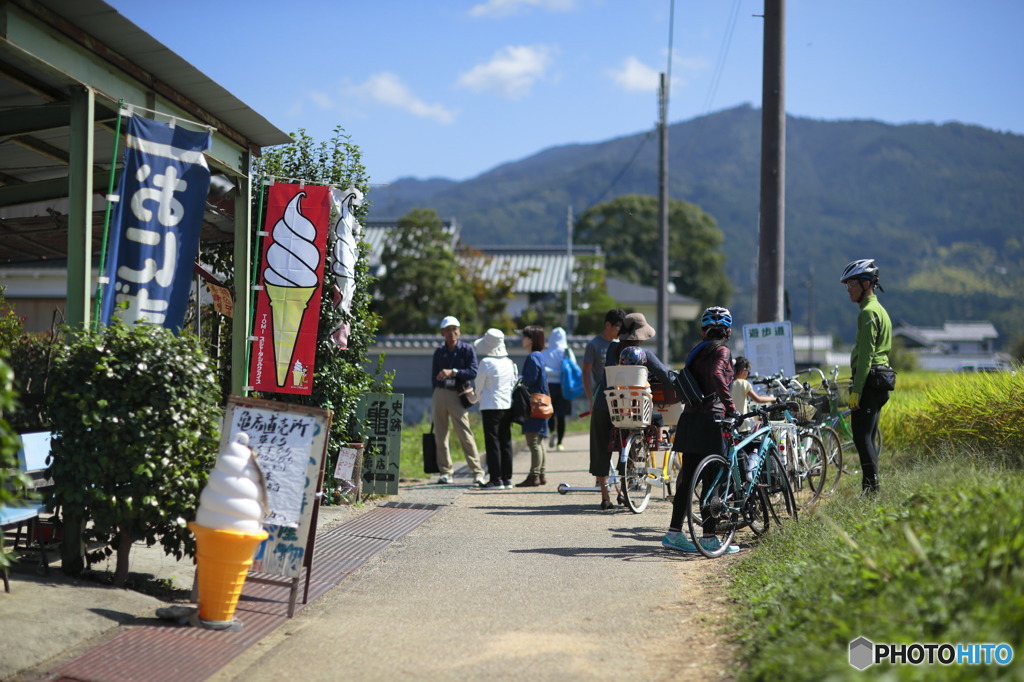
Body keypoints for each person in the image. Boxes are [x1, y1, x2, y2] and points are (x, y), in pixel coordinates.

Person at [662, 306, 740, 554]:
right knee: (712, 481)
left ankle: (674, 534)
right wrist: (731, 407)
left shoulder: (695, 351)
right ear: (728, 331)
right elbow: (718, 374)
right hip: (712, 420)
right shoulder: (723, 350)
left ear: (703, 331)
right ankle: (708, 538)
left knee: (687, 480)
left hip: (690, 419)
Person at [589, 312, 672, 510]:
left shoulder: (611, 349)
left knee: (600, 448)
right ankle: (625, 487)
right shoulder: (645, 355)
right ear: (640, 336)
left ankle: (605, 496)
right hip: (632, 409)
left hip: (606, 404)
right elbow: (665, 375)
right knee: (635, 432)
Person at [841, 258, 892, 494]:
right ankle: (871, 489)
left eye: (851, 284)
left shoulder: (868, 313)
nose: (848, 289)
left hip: (870, 382)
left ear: (865, 284)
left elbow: (866, 357)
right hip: (879, 381)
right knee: (867, 438)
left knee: (862, 439)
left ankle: (872, 491)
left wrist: (856, 391)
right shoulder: (879, 310)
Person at [430, 315, 486, 485]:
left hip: (457, 394)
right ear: (442, 333)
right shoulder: (439, 352)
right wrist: (441, 377)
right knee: (440, 434)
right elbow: (433, 377)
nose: (451, 333)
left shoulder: (467, 349)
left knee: (464, 433)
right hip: (440, 393)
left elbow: (473, 371)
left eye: (454, 329)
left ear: (459, 331)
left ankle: (477, 471)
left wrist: (453, 372)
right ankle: (446, 471)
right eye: (447, 330)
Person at [474, 328, 517, 489]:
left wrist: (477, 398)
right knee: (505, 441)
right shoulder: (509, 362)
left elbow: (479, 385)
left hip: (490, 406)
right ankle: (507, 478)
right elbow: (513, 383)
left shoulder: (486, 363)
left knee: (492, 442)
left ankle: (495, 478)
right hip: (507, 405)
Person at [515, 325, 550, 487]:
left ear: (531, 339)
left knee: (533, 441)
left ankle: (534, 475)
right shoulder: (540, 356)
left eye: (524, 336)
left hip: (534, 402)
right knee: (540, 440)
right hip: (543, 401)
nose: (522, 339)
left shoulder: (532, 358)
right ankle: (541, 473)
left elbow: (529, 379)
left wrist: (518, 380)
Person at [582, 309, 626, 415]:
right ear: (607, 324)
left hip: (621, 396)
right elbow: (585, 373)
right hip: (601, 397)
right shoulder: (593, 345)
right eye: (618, 327)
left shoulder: (621, 344)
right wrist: (590, 398)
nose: (621, 331)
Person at [540, 326, 576, 451]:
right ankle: (560, 443)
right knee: (561, 416)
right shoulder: (567, 352)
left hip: (549, 386)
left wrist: (551, 372)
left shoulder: (545, 353)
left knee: (550, 413)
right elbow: (573, 367)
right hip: (564, 386)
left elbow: (542, 369)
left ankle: (551, 431)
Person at [731, 356, 775, 430]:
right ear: (742, 371)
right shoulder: (744, 383)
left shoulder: (728, 383)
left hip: (731, 424)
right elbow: (758, 399)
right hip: (742, 424)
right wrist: (773, 399)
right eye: (748, 371)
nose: (748, 373)